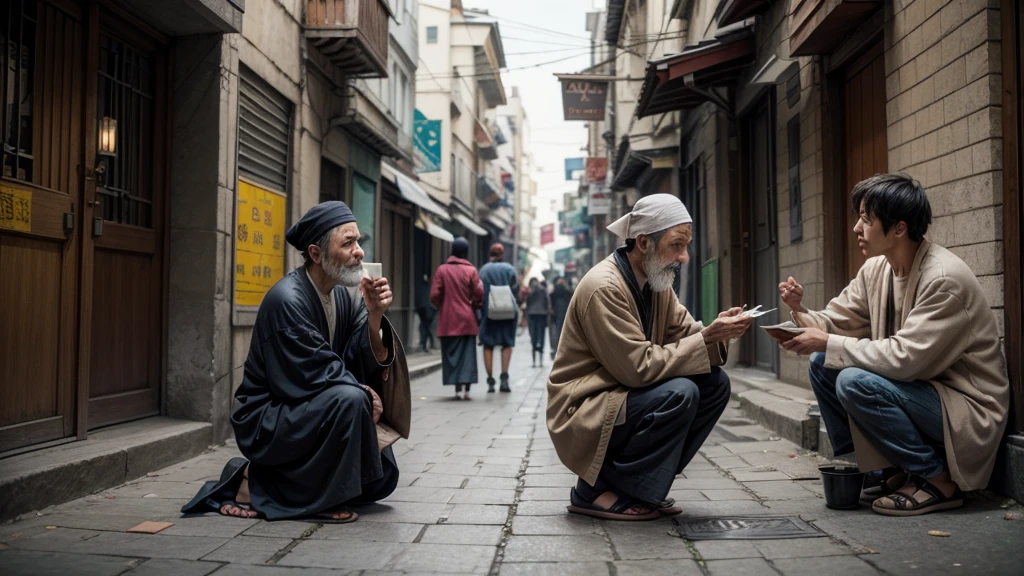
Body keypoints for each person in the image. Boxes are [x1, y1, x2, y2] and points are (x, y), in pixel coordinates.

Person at [778, 174, 1009, 516]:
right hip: (922, 393)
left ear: (899, 229)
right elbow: (835, 322)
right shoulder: (877, 269)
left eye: (866, 220)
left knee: (853, 380)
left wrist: (827, 339)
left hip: (966, 409)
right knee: (822, 363)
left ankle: (938, 480)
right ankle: (886, 468)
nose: (857, 228)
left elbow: (905, 359)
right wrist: (799, 312)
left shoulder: (943, 279)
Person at [181, 201, 410, 523]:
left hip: (307, 405)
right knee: (350, 398)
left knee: (376, 481)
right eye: (347, 243)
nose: (359, 252)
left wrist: (375, 315)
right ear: (316, 254)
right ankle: (257, 485)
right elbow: (310, 372)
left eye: (358, 241)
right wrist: (360, 391)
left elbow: (362, 353)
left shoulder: (343, 296)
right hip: (268, 415)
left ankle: (286, 483)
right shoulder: (287, 299)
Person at [547, 194, 753, 521]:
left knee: (714, 385)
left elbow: (685, 333)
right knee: (680, 393)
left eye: (686, 245)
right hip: (583, 408)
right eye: (676, 245)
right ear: (644, 242)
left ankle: (635, 487)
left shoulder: (657, 284)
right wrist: (705, 338)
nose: (684, 257)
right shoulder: (604, 287)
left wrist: (718, 332)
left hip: (619, 395)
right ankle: (594, 490)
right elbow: (637, 369)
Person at [430, 238, 484, 400]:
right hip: (467, 319)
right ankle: (467, 388)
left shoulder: (442, 270)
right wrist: (475, 303)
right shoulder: (471, 270)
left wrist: (441, 305)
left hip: (448, 319)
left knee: (450, 354)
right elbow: (479, 292)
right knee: (468, 355)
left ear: (451, 251)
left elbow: (434, 295)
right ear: (466, 253)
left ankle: (457, 388)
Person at [479, 243, 520, 393]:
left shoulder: (484, 270)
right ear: (502, 254)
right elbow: (516, 290)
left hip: (489, 313)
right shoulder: (509, 269)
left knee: (488, 345)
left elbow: (479, 292)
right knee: (507, 344)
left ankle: (490, 381)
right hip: (508, 312)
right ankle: (504, 378)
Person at [525, 278, 552, 366]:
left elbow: (526, 302)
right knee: (541, 335)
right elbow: (547, 301)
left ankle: (534, 361)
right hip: (542, 314)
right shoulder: (543, 290)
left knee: (533, 335)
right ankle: (540, 359)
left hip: (532, 315)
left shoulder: (529, 291)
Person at [549, 276, 573, 360]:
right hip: (563, 314)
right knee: (562, 332)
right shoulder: (566, 291)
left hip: (558, 314)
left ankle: (559, 349)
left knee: (558, 332)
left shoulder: (554, 292)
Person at [415, 273, 436, 353]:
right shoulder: (430, 288)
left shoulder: (421, 289)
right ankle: (428, 344)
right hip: (429, 310)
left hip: (423, 310)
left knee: (424, 327)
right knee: (426, 327)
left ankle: (425, 344)